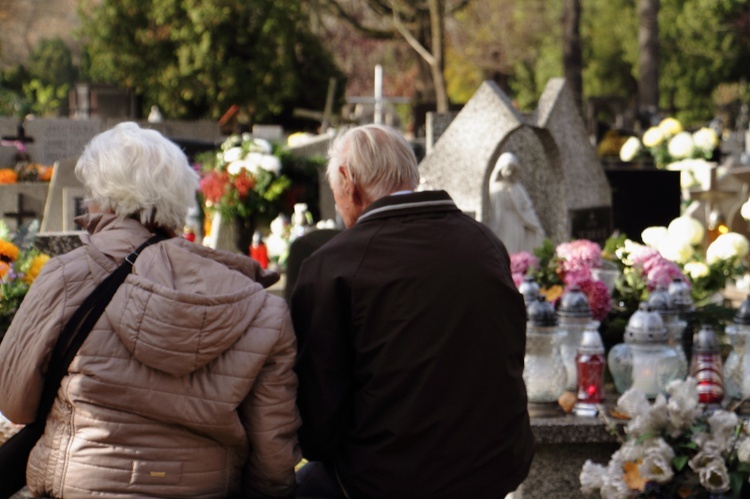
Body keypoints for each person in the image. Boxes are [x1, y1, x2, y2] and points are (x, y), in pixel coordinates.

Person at [0, 122, 300, 498]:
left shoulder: (65, 276)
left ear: (101, 196)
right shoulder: (259, 307)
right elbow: (273, 451)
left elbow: (14, 402)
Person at [291, 124, 534, 498]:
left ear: (347, 179)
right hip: (494, 466)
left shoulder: (332, 265)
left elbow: (318, 424)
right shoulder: (483, 242)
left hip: (390, 479)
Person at [487, 152, 545, 254]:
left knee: (515, 250)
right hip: (501, 223)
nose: (509, 171)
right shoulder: (495, 187)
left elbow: (527, 206)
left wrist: (533, 222)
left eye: (511, 168)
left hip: (516, 222)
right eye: (507, 168)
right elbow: (493, 208)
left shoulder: (516, 187)